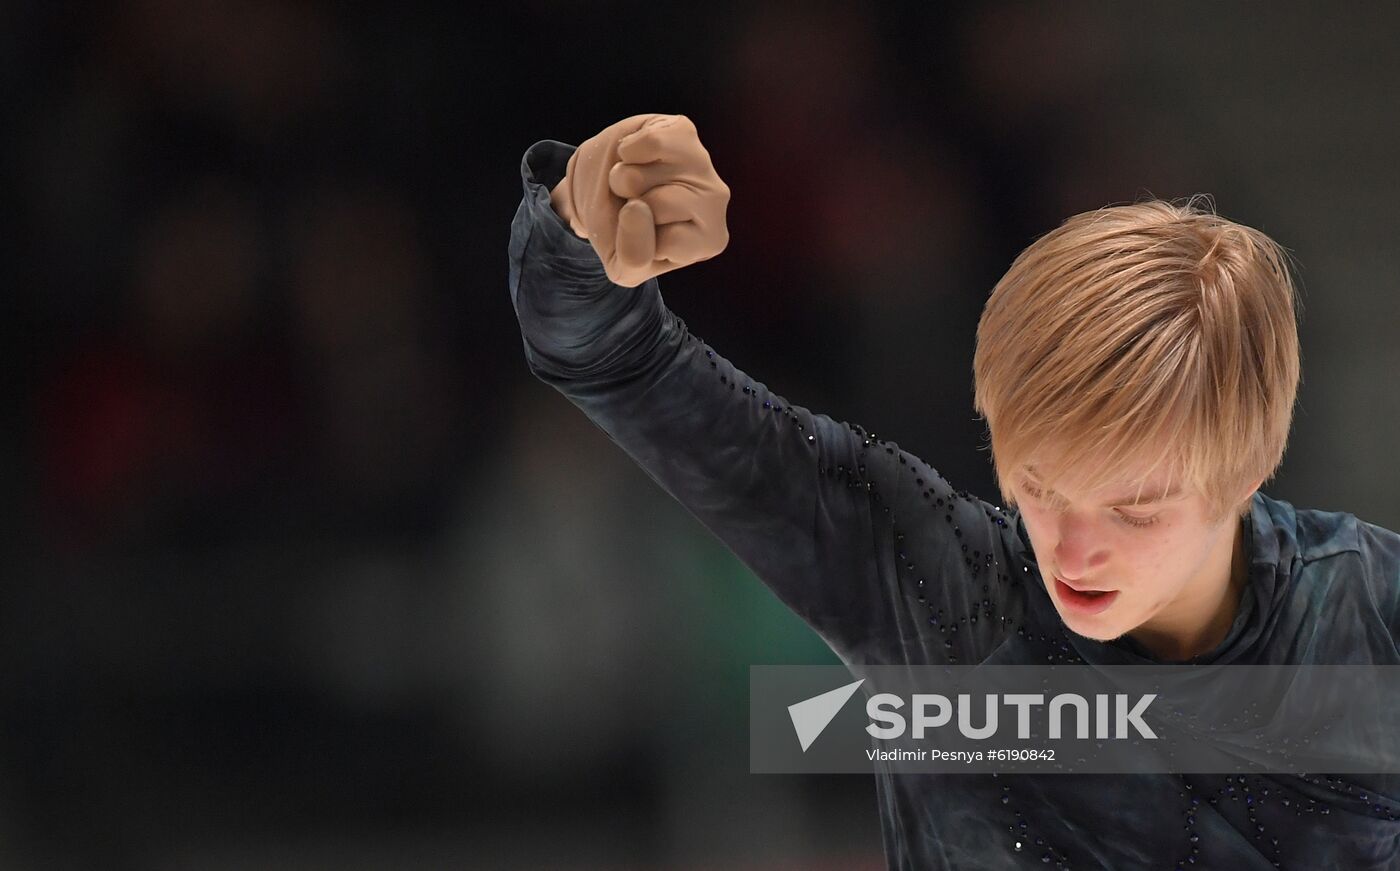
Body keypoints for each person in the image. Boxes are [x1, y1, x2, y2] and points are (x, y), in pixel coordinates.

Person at [507, 113, 1400, 870]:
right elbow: (620, 362)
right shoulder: (940, 582)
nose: (1074, 550)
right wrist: (579, 229)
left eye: (1135, 508)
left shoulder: (1374, 611)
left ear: (1245, 472)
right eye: (1042, 490)